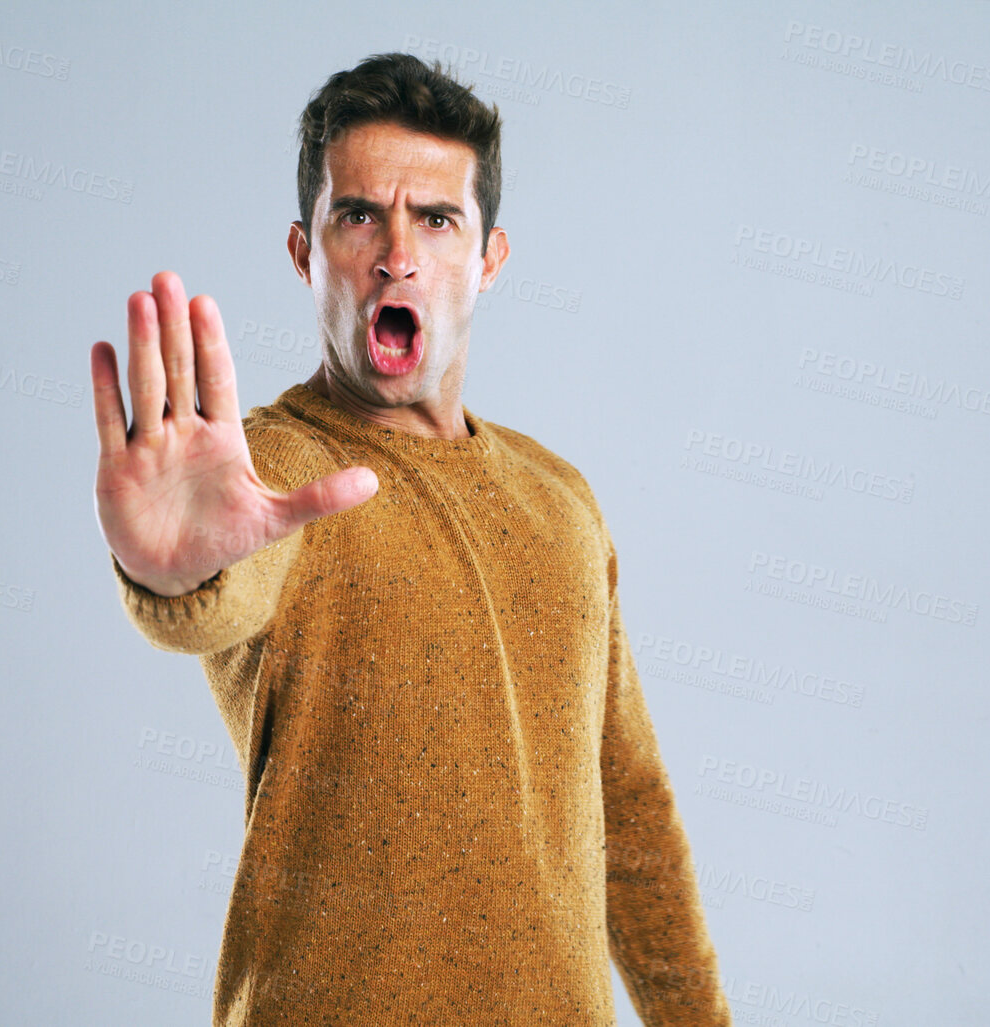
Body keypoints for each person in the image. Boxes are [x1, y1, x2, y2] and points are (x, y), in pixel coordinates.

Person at [90, 51, 731, 1026]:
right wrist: (171, 571)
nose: (399, 253)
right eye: (360, 216)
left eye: (436, 219)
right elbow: (223, 579)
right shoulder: (276, 471)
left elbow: (630, 809)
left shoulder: (563, 501)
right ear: (306, 252)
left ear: (489, 258)